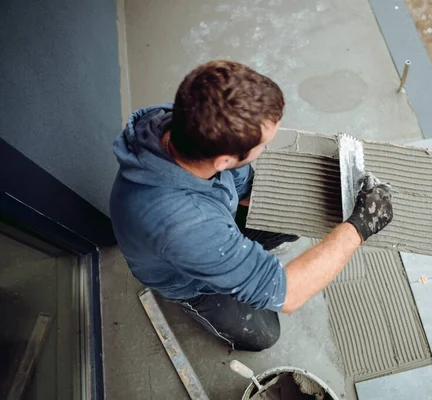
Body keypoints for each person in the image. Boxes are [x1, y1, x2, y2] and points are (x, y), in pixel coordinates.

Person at [110, 60, 393, 352]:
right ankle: (197, 301)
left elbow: (245, 187)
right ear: (223, 161)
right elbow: (289, 294)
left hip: (209, 223)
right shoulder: (186, 226)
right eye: (262, 145)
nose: (266, 149)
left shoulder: (187, 123)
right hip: (186, 278)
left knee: (289, 223)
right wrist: (359, 227)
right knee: (263, 335)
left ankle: (241, 261)